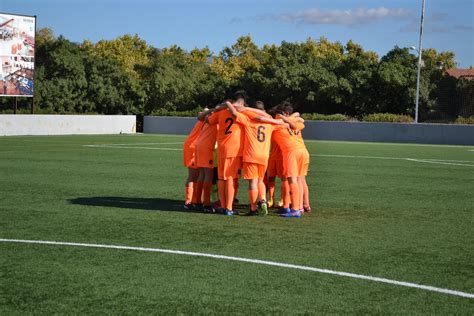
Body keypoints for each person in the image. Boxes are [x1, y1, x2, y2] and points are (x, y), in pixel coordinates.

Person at [226, 100, 288, 216]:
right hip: (264, 156)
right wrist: (271, 119)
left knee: (252, 182)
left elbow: (234, 113)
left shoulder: (248, 120)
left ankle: (253, 208)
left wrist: (228, 104)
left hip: (251, 155)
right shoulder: (270, 124)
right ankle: (263, 200)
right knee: (260, 180)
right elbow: (284, 124)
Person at [207, 92, 246, 216]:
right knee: (230, 178)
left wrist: (217, 108)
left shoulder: (219, 112)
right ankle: (229, 208)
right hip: (234, 149)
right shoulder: (240, 112)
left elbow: (208, 120)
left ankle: (224, 206)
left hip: (221, 148)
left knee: (222, 178)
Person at [271, 102, 308, 218]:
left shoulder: (276, 126)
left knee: (293, 180)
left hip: (291, 152)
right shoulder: (295, 122)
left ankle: (296, 209)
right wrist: (286, 118)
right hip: (303, 151)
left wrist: (281, 119)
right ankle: (298, 206)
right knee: (298, 179)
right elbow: (301, 120)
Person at [192, 106, 219, 213]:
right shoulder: (216, 116)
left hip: (199, 145)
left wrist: (210, 110)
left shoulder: (210, 115)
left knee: (202, 174)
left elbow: (199, 116)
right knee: (208, 175)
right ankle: (206, 204)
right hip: (206, 147)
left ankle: (198, 202)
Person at [182, 111, 205, 209]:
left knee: (199, 175)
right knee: (193, 176)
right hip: (193, 147)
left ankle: (195, 200)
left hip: (197, 147)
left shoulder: (208, 116)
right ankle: (189, 201)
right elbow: (201, 113)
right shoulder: (208, 117)